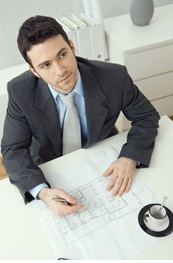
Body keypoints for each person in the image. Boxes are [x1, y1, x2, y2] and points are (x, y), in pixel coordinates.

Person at [1, 15, 160, 217]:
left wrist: (130, 156)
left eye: (62, 55)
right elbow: (13, 150)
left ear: (72, 47)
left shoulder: (115, 77)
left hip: (101, 156)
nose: (60, 71)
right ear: (34, 71)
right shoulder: (20, 91)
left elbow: (147, 117)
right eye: (45, 65)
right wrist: (41, 191)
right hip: (49, 164)